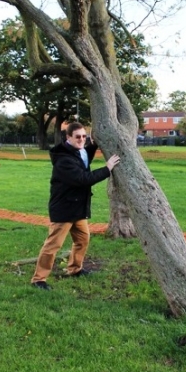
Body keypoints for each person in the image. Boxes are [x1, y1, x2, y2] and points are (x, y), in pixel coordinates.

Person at [31, 122, 120, 290]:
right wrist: (107, 168)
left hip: (77, 209)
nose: (81, 139)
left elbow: (85, 157)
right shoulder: (64, 160)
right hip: (64, 210)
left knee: (82, 239)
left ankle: (75, 269)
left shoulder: (78, 152)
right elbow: (83, 179)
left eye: (84, 136)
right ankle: (38, 279)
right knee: (52, 246)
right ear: (68, 138)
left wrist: (93, 145)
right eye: (77, 137)